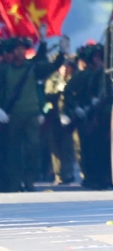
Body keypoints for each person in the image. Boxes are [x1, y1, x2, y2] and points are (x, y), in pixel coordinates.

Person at [0, 36, 68, 192]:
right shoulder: (5, 71)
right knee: (13, 151)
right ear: (12, 51)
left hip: (32, 115)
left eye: (22, 48)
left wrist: (62, 53)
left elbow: (52, 66)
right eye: (17, 49)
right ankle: (15, 183)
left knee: (33, 148)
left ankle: (29, 181)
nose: (20, 51)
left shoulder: (33, 68)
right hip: (13, 116)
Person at [63, 43, 111, 190]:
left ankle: (104, 178)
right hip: (86, 116)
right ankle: (90, 177)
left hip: (101, 115)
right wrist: (76, 108)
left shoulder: (106, 74)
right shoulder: (82, 75)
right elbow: (68, 93)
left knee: (103, 148)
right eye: (96, 57)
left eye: (100, 56)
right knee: (88, 148)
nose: (98, 59)